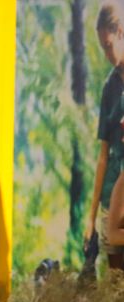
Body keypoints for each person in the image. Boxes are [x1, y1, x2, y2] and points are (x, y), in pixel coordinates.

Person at [86, 0, 124, 267]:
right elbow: (102, 157)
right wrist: (90, 218)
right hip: (114, 198)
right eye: (102, 49)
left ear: (121, 32)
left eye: (109, 46)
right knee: (116, 290)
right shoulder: (109, 88)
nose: (107, 55)